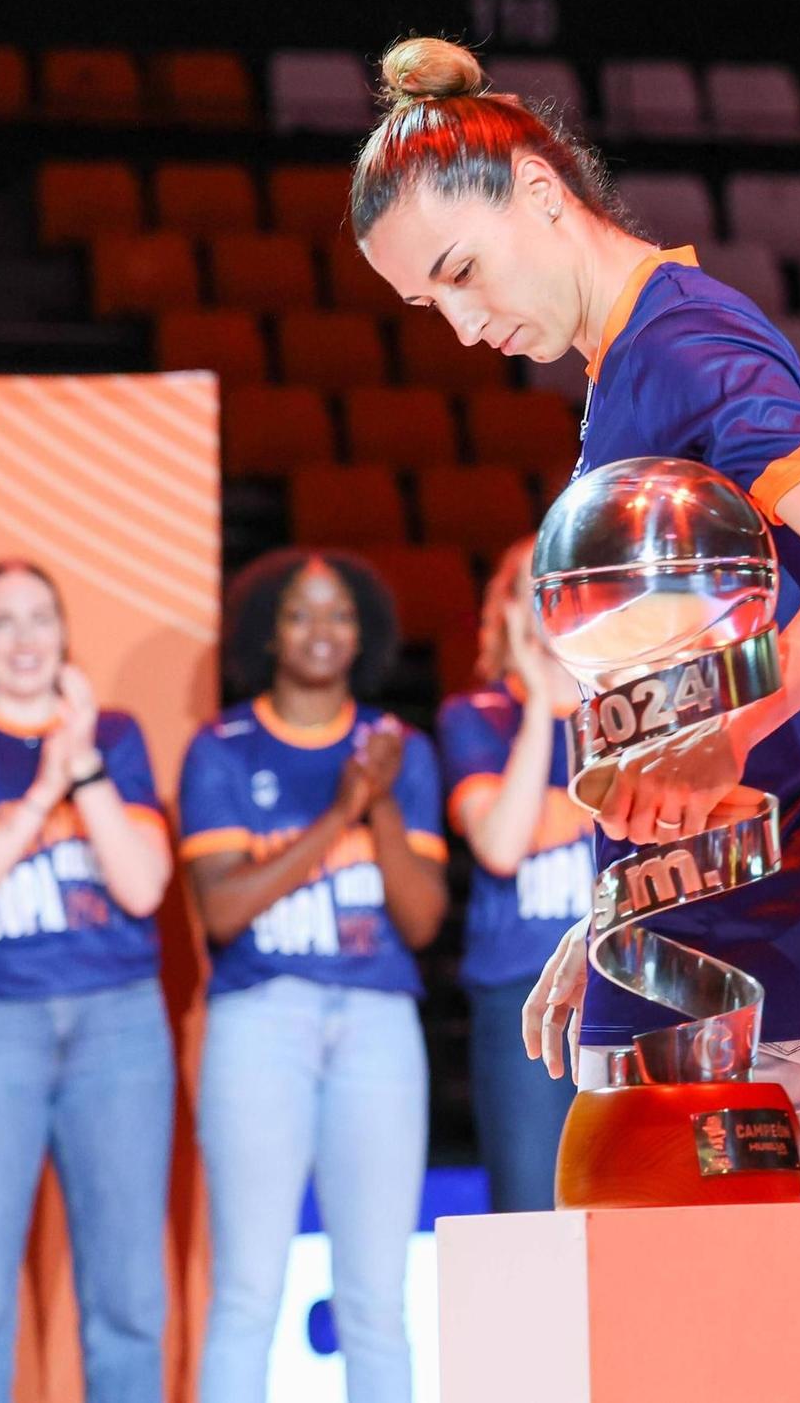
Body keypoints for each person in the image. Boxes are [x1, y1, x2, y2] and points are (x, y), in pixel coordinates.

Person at [350, 36, 800, 1188]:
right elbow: (683, 678)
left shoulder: (682, 344)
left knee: (652, 1332)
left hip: (771, 926)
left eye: (462, 272)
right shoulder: (626, 363)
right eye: (430, 305)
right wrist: (623, 913)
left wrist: (733, 729)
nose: (463, 328)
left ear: (538, 192)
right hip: (715, 918)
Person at [0, 559, 176, 1403]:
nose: (25, 641)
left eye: (40, 619)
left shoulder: (116, 736)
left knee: (126, 1296)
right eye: (4, 622)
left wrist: (82, 766)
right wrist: (41, 790)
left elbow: (141, 886)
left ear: (63, 633)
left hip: (116, 1025)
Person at [179, 550, 446, 1403]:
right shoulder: (222, 748)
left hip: (377, 1024)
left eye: (339, 614)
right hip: (262, 1019)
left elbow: (422, 920)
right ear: (268, 632)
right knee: (248, 1292)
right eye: (300, 613)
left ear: (364, 633)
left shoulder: (400, 751)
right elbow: (222, 912)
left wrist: (384, 801)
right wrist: (339, 813)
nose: (321, 631)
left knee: (375, 1299)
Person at [437, 537, 594, 1212]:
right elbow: (501, 845)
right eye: (530, 587)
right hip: (520, 998)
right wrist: (539, 704)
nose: (549, 600)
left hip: (625, 993)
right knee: (532, 1208)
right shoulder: (474, 717)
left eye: (563, 580)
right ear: (501, 609)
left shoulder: (629, 709)